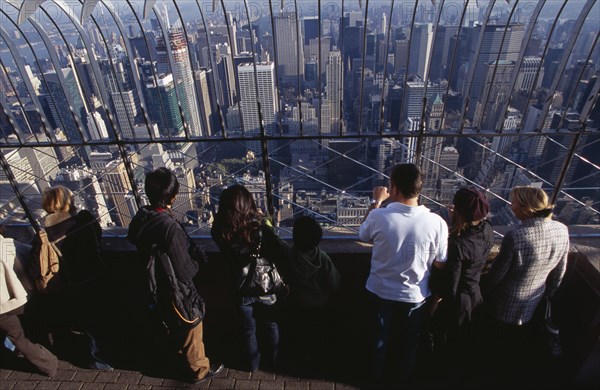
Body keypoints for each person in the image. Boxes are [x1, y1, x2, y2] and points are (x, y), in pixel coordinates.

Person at [127, 167, 223, 384]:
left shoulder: (142, 218)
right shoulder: (168, 227)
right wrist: (198, 260)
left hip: (155, 285)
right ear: (172, 196)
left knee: (171, 326)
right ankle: (199, 370)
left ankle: (177, 360)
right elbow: (185, 270)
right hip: (175, 289)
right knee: (191, 327)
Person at [359, 163, 448, 384]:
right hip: (416, 296)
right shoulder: (437, 223)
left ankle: (376, 379)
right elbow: (441, 262)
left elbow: (363, 235)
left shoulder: (379, 216)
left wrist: (377, 201)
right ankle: (403, 379)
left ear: (394, 188)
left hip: (379, 291)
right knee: (410, 342)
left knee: (379, 339)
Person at [484, 186, 569, 381]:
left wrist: (483, 292)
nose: (510, 206)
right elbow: (560, 270)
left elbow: (497, 274)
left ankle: (494, 373)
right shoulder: (561, 230)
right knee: (518, 339)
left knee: (499, 340)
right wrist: (550, 293)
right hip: (535, 297)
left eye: (513, 202)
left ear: (524, 208)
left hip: (506, 301)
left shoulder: (516, 236)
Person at [29, 185, 112, 370]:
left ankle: (95, 359)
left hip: (71, 284)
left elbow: (35, 267)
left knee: (86, 323)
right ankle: (111, 352)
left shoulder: (44, 236)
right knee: (103, 317)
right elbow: (97, 237)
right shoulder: (85, 219)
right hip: (97, 273)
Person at [211, 184, 289, 372]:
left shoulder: (220, 231)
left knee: (248, 330)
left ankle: (252, 365)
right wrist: (264, 221)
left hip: (240, 286)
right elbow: (282, 252)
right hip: (266, 286)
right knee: (270, 324)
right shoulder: (261, 230)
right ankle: (273, 362)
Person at [1, 232, 58, 377]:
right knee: (19, 335)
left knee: (17, 337)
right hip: (19, 297)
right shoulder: (8, 244)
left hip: (3, 307)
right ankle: (47, 364)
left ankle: (48, 364)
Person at [445, 188, 494, 336]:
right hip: (476, 295)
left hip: (460, 303)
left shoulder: (457, 244)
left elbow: (452, 286)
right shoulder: (487, 229)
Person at [289, 215, 340, 307]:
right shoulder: (323, 258)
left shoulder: (289, 255)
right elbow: (334, 283)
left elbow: (278, 242)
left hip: (296, 304)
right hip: (321, 303)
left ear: (294, 237)